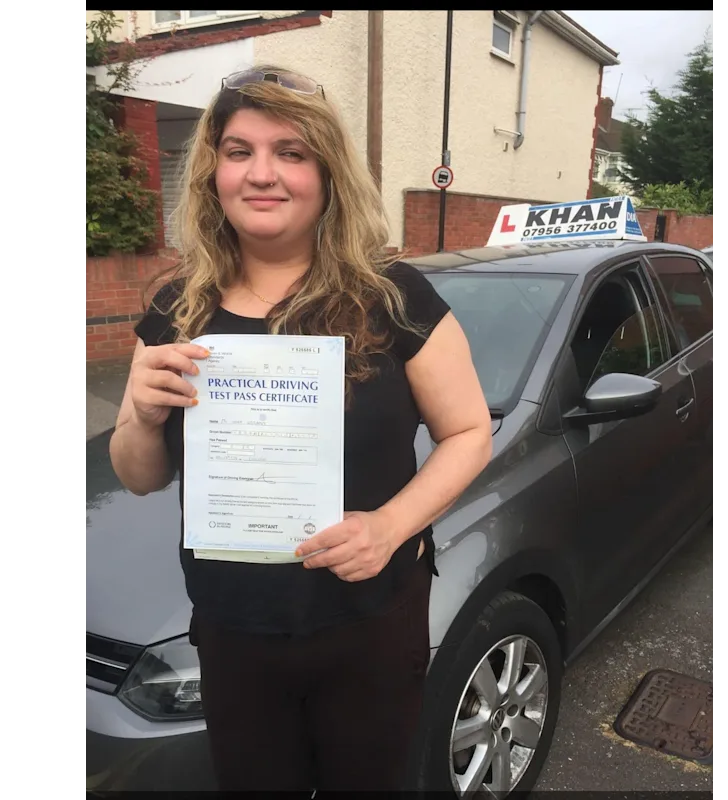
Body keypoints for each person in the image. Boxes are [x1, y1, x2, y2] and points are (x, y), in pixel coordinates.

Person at [109, 65, 492, 793]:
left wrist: (390, 526)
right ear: (213, 172)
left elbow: (470, 432)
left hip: (369, 621)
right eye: (239, 151)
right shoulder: (176, 308)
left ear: (327, 174)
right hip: (233, 629)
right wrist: (144, 414)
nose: (262, 173)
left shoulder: (394, 298)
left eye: (291, 152)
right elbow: (139, 475)